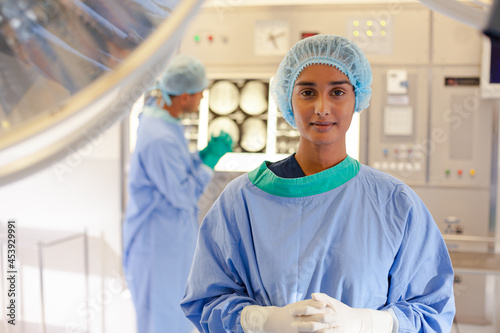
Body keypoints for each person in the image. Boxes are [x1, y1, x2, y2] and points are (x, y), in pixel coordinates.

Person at [180, 35, 455, 333]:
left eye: (337, 92)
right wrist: (262, 321)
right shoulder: (241, 202)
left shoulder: (395, 203)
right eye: (308, 92)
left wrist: (367, 323)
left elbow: (431, 309)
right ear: (288, 98)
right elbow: (207, 301)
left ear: (357, 98)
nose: (322, 107)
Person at [123, 54, 232, 333]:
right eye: (199, 93)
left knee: (175, 316)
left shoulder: (166, 123)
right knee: (161, 321)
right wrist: (209, 163)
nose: (202, 99)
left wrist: (201, 157)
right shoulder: (159, 137)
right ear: (184, 96)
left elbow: (176, 172)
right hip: (157, 246)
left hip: (170, 242)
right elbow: (183, 194)